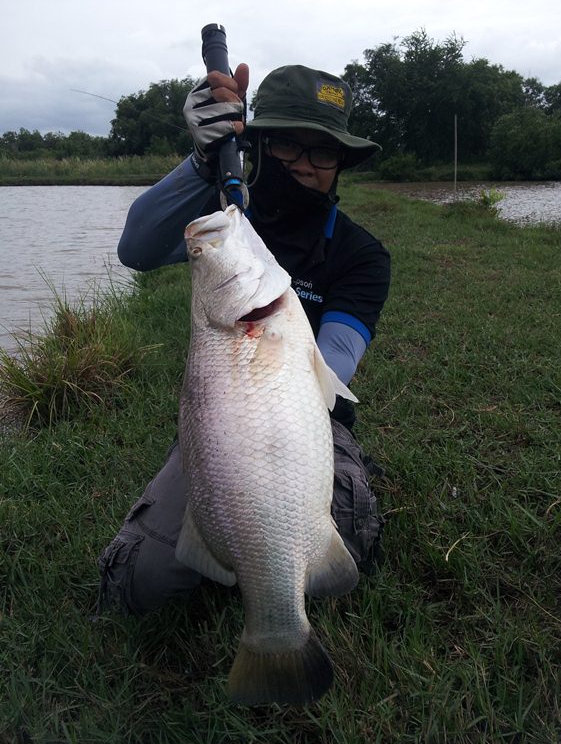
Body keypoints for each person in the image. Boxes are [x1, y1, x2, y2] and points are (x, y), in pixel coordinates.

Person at [98, 62, 391, 615]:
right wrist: (201, 162)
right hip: (221, 431)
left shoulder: (361, 255)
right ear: (258, 145)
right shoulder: (225, 227)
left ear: (340, 163)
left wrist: (269, 338)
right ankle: (224, 537)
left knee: (343, 547)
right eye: (287, 147)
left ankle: (289, 530)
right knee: (141, 585)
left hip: (311, 427)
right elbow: (135, 248)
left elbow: (337, 362)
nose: (305, 166)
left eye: (322, 152)